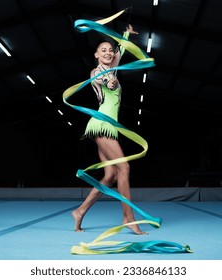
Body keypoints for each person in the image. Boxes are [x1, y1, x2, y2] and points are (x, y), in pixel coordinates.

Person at [72, 24, 147, 235]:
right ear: (96, 54)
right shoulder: (97, 72)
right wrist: (111, 83)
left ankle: (80, 211)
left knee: (110, 175)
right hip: (101, 124)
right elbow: (105, 81)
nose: (108, 52)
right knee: (124, 168)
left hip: (107, 125)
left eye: (110, 50)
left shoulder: (113, 66)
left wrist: (125, 35)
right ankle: (128, 218)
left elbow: (121, 51)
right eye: (103, 50)